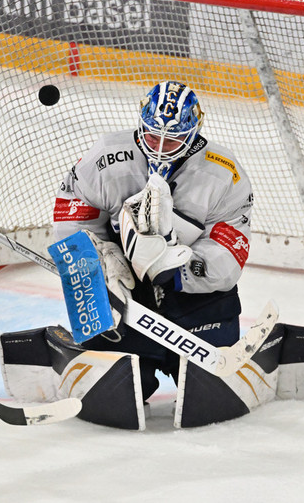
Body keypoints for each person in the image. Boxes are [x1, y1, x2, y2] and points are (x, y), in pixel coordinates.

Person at [51, 80, 254, 400]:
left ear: (193, 134)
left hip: (193, 297)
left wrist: (175, 270)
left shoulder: (225, 174)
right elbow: (71, 217)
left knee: (209, 388)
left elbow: (228, 253)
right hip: (119, 291)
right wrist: (97, 263)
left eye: (171, 140)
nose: (159, 147)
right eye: (151, 135)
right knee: (115, 391)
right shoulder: (105, 156)